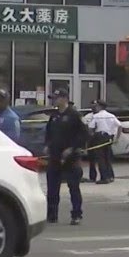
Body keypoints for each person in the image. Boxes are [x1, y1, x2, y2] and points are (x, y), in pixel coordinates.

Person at [44, 89, 87, 225]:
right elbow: (49, 132)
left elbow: (84, 134)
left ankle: (76, 214)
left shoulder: (74, 115)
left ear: (64, 99)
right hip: (55, 156)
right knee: (52, 187)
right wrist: (47, 145)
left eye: (56, 98)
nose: (54, 101)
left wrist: (72, 148)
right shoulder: (54, 115)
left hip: (71, 158)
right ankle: (52, 214)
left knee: (73, 187)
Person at [86, 100, 118, 184]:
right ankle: (110, 176)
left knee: (100, 158)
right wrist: (116, 138)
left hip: (99, 137)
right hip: (108, 137)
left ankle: (104, 178)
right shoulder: (111, 115)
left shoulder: (97, 116)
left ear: (99, 106)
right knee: (107, 158)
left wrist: (91, 135)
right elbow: (119, 125)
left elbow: (90, 128)